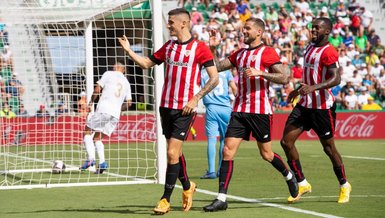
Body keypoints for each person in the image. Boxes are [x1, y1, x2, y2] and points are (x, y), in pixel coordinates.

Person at [118, 8, 219, 215]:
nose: (168, 25)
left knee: (172, 153)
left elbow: (214, 78)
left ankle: (165, 199)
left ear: (184, 23)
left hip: (185, 108)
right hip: (166, 106)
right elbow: (146, 64)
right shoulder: (169, 47)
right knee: (175, 152)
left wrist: (196, 98)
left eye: (171, 22)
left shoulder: (200, 48)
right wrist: (129, 51)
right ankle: (188, 186)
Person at [203, 17, 298, 212]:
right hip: (239, 111)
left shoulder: (268, 52)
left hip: (260, 112)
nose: (243, 31)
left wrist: (260, 73)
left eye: (247, 29)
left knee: (266, 154)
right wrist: (212, 49)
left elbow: (284, 77)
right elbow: (216, 67)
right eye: (243, 28)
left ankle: (289, 175)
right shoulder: (239, 54)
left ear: (259, 32)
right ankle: (221, 198)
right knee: (227, 151)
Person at [280, 17, 352, 204]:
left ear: (326, 32)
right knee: (286, 142)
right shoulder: (310, 47)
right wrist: (297, 91)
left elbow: (336, 79)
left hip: (321, 108)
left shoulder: (329, 52)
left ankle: (344, 185)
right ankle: (302, 183)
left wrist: (313, 88)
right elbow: (308, 77)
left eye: (317, 28)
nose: (312, 31)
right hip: (304, 104)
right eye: (312, 28)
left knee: (328, 148)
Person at [79, 61, 132, 175]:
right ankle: (102, 163)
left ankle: (91, 159)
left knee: (87, 131)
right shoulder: (127, 82)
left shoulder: (108, 74)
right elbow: (129, 103)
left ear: (118, 67)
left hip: (104, 109)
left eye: (114, 66)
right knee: (97, 138)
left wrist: (90, 103)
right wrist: (118, 109)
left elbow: (97, 90)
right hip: (115, 115)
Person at [200, 68, 237, 179]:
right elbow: (234, 88)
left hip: (211, 107)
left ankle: (211, 171)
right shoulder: (226, 72)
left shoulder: (202, 72)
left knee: (212, 139)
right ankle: (221, 170)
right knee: (223, 139)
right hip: (226, 108)